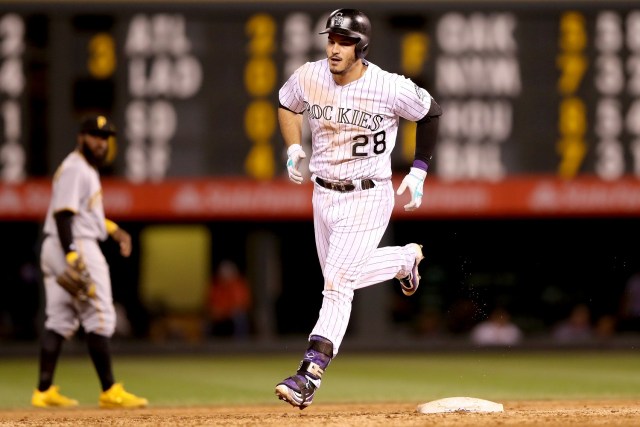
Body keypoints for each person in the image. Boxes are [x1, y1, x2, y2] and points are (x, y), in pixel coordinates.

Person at [275, 8, 442, 409]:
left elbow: (431, 111)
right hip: (323, 194)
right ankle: (404, 261)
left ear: (360, 46)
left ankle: (309, 374)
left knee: (336, 285)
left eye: (344, 41)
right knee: (339, 279)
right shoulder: (309, 75)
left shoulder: (388, 86)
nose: (334, 47)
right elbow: (285, 103)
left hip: (368, 194)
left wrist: (419, 170)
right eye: (331, 39)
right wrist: (294, 146)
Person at [32, 114, 148, 408]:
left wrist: (115, 230)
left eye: (105, 137)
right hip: (74, 245)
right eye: (95, 136)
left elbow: (87, 216)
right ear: (81, 137)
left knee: (59, 319)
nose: (101, 143)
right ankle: (109, 390)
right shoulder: (76, 168)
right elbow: (63, 214)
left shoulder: (83, 169)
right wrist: (72, 253)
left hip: (56, 245)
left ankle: (43, 390)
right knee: (100, 316)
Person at [207, 259, 252, 339]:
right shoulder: (216, 287)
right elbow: (212, 303)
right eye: (222, 274)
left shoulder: (238, 285)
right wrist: (216, 311)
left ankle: (240, 343)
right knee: (206, 322)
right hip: (220, 314)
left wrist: (227, 311)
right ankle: (209, 343)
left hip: (232, 314)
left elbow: (242, 304)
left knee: (240, 318)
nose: (225, 276)